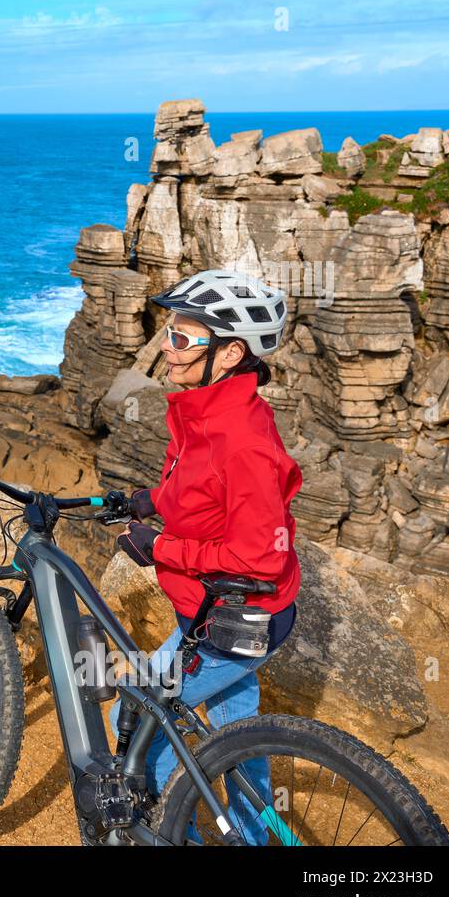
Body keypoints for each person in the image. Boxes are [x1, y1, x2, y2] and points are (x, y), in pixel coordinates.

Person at [107, 268, 303, 845]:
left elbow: (256, 557)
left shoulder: (240, 438)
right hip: (209, 607)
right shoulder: (210, 410)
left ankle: (162, 834)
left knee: (147, 711)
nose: (168, 347)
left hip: (235, 619)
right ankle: (259, 837)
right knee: (238, 739)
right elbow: (200, 490)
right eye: (170, 331)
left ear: (230, 352)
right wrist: (148, 500)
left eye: (184, 339)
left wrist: (159, 546)